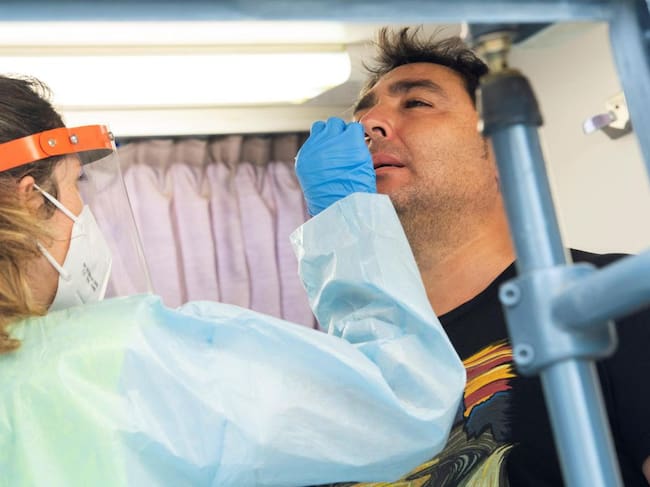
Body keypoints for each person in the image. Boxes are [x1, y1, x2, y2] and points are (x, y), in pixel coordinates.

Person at [0, 74, 466, 486]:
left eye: (416, 103)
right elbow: (404, 403)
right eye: (76, 184)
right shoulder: (121, 357)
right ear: (29, 199)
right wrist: (348, 222)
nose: (372, 124)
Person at [296, 27, 650, 486]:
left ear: (502, 150)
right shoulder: (348, 362)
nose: (368, 124)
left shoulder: (615, 297)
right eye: (361, 113)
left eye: (416, 103)